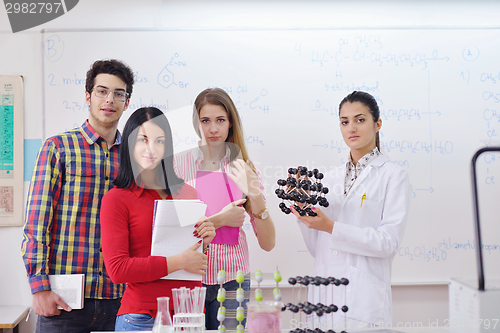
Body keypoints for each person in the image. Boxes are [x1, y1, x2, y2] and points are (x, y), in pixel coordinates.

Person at [21, 59, 135, 333]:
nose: (110, 99)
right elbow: (37, 223)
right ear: (88, 96)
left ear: (127, 102)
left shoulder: (134, 157)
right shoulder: (58, 148)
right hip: (64, 302)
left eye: (119, 93)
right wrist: (39, 287)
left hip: (120, 299)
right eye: (102, 91)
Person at [292, 91, 411, 328]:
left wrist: (331, 227)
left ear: (377, 124)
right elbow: (319, 249)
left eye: (360, 119)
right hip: (324, 299)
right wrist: (305, 214)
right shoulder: (329, 179)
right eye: (344, 122)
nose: (351, 128)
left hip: (363, 303)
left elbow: (388, 243)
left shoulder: (393, 176)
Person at [100, 107, 215, 331]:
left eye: (159, 141)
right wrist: (180, 262)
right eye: (143, 139)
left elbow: (193, 257)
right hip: (142, 318)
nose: (151, 149)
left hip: (189, 315)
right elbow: (117, 270)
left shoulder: (187, 193)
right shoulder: (116, 199)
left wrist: (205, 240)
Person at [173, 88, 276, 330]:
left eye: (220, 120)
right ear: (196, 124)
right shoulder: (179, 166)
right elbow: (171, 230)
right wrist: (220, 220)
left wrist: (255, 193)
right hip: (189, 278)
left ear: (230, 123)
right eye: (205, 121)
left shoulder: (243, 167)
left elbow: (268, 243)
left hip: (232, 280)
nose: (213, 129)